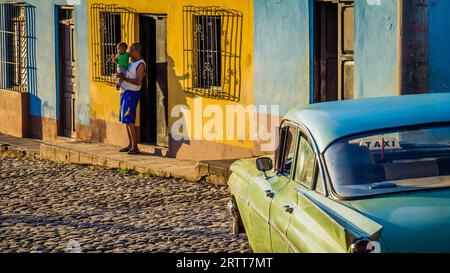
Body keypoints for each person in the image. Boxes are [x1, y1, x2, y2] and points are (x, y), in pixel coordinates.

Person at [117, 43, 146, 155]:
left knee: (129, 119)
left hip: (132, 93)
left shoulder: (140, 64)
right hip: (125, 92)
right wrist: (120, 81)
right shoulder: (131, 63)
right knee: (125, 120)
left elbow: (138, 82)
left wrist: (124, 78)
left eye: (131, 51)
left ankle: (135, 147)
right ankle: (130, 144)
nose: (129, 53)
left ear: (136, 51)